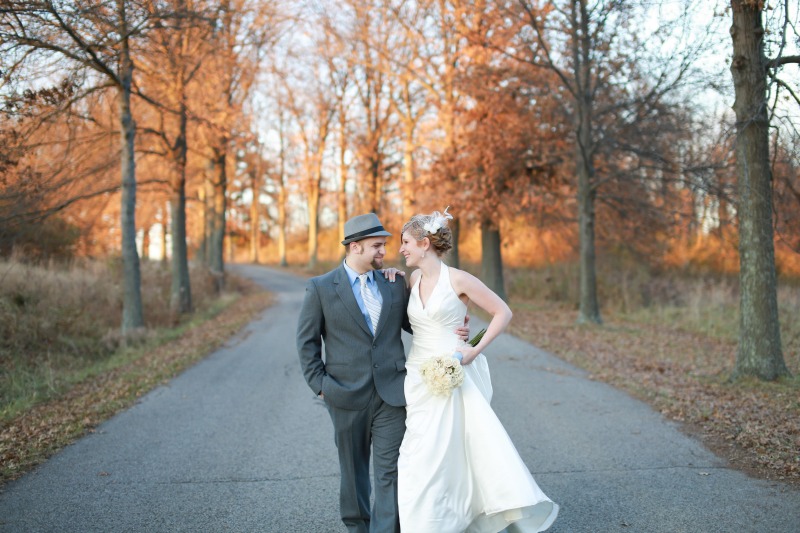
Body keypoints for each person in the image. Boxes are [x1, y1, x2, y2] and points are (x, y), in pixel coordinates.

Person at [296, 212, 469, 533]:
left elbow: (417, 323)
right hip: (344, 395)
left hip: (392, 394)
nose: (384, 253)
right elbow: (306, 343)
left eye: (385, 246)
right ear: (355, 246)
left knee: (390, 472)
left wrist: (454, 327)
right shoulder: (320, 288)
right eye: (377, 246)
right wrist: (321, 387)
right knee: (354, 471)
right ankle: (357, 527)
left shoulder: (393, 284)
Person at [397, 207, 559, 533]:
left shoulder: (458, 279)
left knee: (450, 453)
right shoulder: (412, 279)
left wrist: (473, 350)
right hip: (417, 376)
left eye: (406, 242)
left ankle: (451, 521)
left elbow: (503, 312)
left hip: (451, 373)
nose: (401, 249)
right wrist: (390, 277)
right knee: (416, 457)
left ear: (425, 243)